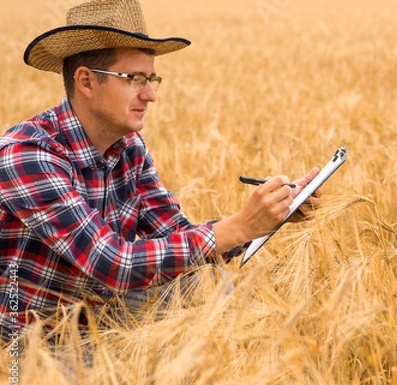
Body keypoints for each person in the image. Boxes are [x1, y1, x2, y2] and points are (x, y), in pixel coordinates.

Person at [0, 0, 320, 340]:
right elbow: (113, 264)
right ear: (87, 82)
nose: (151, 94)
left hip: (102, 320)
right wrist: (239, 226)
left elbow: (176, 237)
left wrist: (270, 214)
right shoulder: (28, 154)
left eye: (151, 78)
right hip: (33, 345)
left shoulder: (129, 148)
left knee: (205, 283)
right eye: (135, 78)